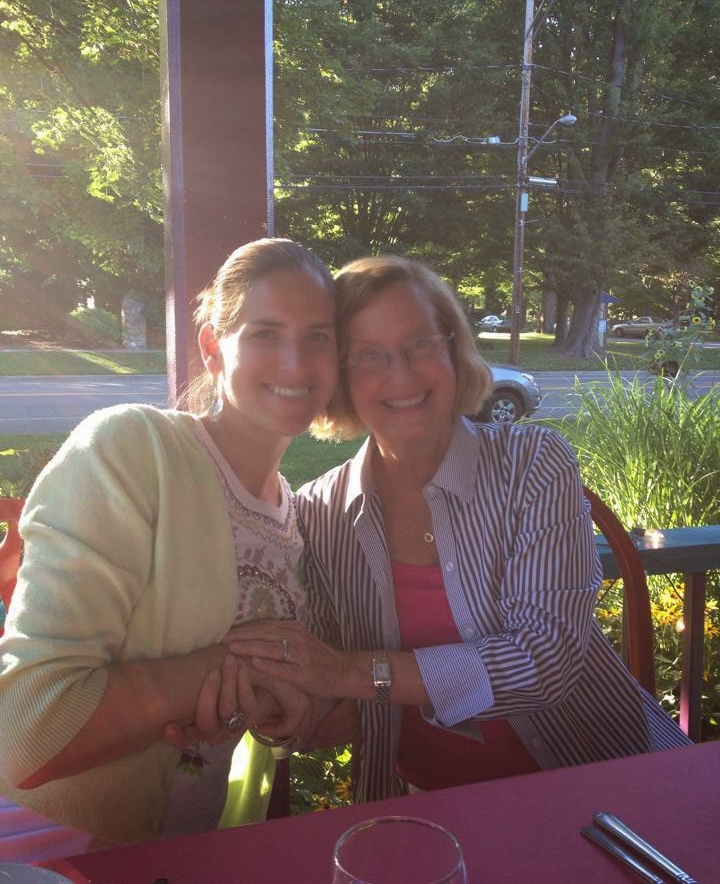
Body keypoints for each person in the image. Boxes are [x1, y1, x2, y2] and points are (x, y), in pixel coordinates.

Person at [224, 254, 691, 806]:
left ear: (453, 347)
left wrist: (349, 674)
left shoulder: (533, 463)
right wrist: (293, 707)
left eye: (421, 344)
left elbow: (545, 660)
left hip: (595, 788)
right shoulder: (320, 511)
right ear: (340, 376)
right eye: (369, 355)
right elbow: (333, 685)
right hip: (422, 804)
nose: (402, 375)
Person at [0, 237, 338, 860]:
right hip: (57, 848)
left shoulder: (296, 515)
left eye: (318, 336)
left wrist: (279, 709)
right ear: (212, 347)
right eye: (265, 334)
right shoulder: (132, 448)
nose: (296, 363)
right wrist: (256, 669)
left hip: (187, 847)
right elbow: (32, 732)